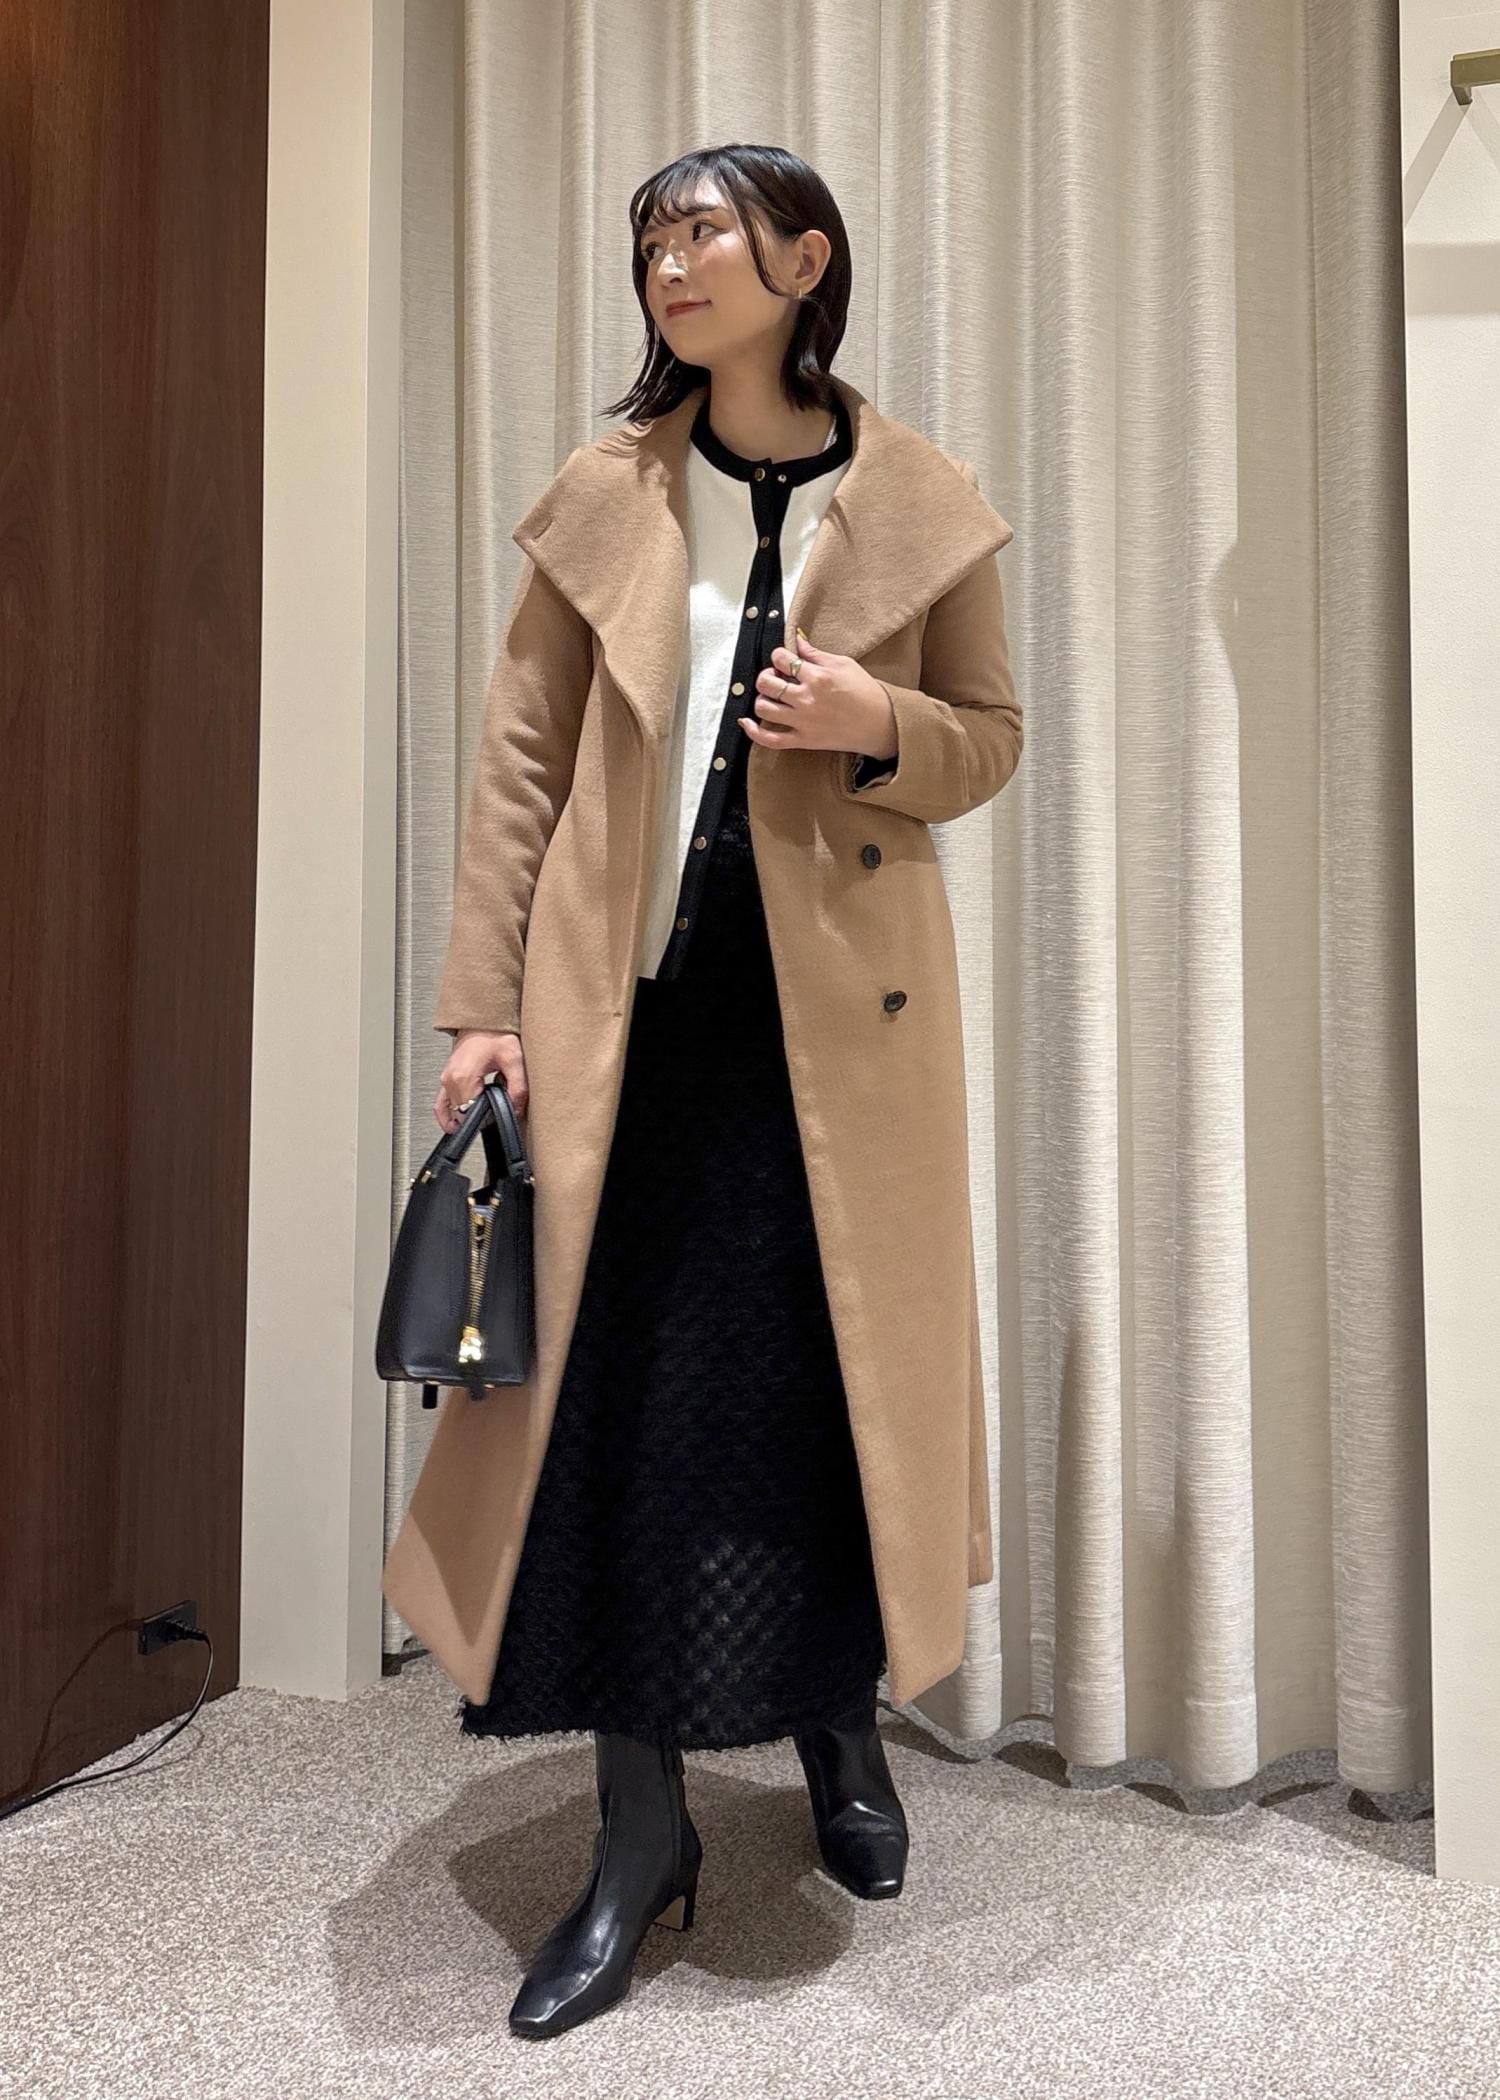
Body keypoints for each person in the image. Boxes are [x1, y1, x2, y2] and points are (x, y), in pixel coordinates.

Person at [390, 141, 1022, 2041]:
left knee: (825, 1401)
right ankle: (638, 1831)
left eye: (706, 235)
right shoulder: (610, 496)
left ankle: (842, 1731)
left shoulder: (921, 502)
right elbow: (522, 764)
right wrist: (479, 1003)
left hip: (837, 1037)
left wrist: (876, 722)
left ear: (804, 263)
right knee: (626, 1420)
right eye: (652, 241)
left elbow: (990, 741)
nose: (670, 266)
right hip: (628, 1024)